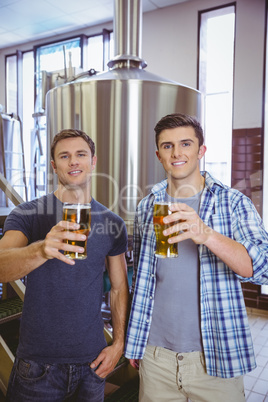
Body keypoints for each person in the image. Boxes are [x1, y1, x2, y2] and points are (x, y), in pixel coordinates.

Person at [124, 113, 268, 401]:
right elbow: (142, 277)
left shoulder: (232, 202)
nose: (177, 153)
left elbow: (262, 267)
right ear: (158, 154)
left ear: (201, 150)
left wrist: (207, 235)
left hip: (215, 355)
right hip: (156, 357)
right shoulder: (147, 205)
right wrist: (137, 342)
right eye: (167, 146)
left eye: (186, 144)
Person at [0, 129, 130, 401]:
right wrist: (41, 249)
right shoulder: (28, 214)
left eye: (81, 154)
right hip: (37, 365)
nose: (73, 162)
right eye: (64, 156)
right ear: (54, 165)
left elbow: (119, 288)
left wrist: (118, 344)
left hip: (92, 363)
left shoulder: (113, 224)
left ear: (93, 161)